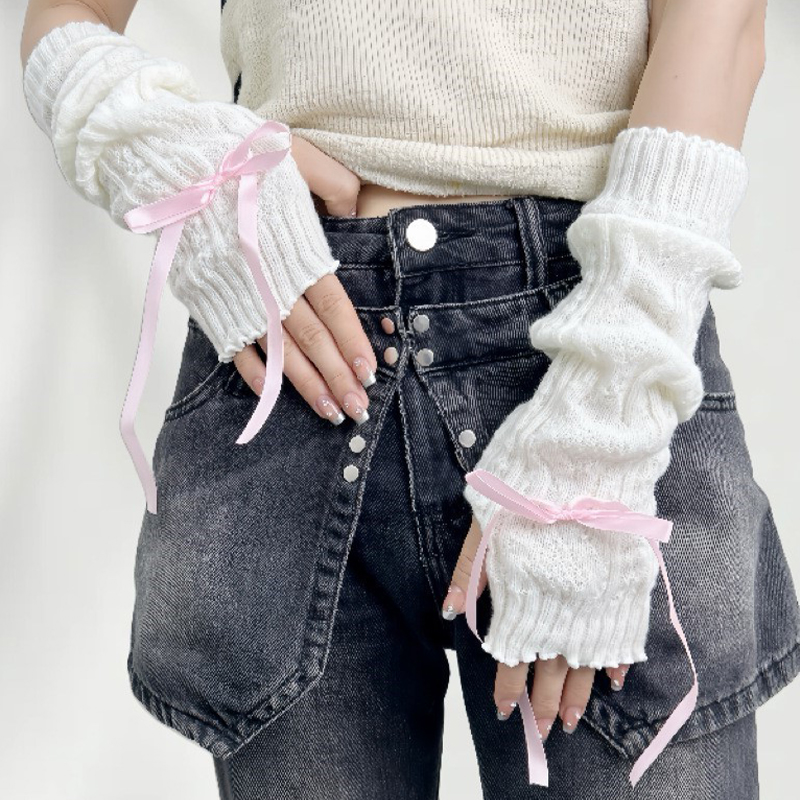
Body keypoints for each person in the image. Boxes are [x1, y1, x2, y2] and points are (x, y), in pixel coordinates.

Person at [20, 1, 800, 798]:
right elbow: (65, 17)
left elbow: (722, 23)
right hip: (301, 333)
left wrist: (603, 412)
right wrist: (170, 158)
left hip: (596, 337)